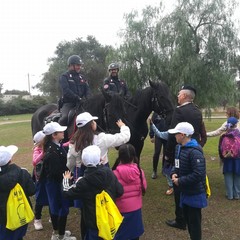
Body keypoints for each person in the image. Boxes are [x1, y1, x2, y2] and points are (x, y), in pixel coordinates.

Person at [165, 85, 207, 230]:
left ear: (183, 96)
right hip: (193, 148)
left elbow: (173, 136)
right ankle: (189, 217)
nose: (177, 96)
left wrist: (168, 155)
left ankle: (181, 219)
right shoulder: (197, 111)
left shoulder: (179, 111)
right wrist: (199, 146)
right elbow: (201, 132)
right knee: (191, 180)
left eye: (178, 94)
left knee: (179, 185)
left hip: (181, 150)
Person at [62, 145, 124, 240]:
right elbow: (120, 191)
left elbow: (67, 192)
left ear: (83, 162)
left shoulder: (83, 182)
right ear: (99, 158)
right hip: (109, 218)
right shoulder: (108, 173)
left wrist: (66, 180)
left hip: (93, 222)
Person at [168, 122, 207, 240]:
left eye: (176, 133)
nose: (174, 136)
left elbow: (198, 174)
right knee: (188, 221)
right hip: (184, 192)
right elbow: (177, 165)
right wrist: (174, 173)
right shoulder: (179, 148)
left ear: (183, 135)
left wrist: (180, 181)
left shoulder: (194, 151)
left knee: (194, 224)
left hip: (194, 194)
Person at [41, 122, 76, 240]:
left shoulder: (55, 146)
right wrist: (67, 176)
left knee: (55, 206)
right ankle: (59, 235)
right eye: (60, 131)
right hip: (56, 183)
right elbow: (55, 171)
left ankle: (57, 232)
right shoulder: (53, 151)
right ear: (53, 135)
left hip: (55, 183)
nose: (63, 133)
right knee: (61, 207)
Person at [0, 145, 35, 240]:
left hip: (2, 220)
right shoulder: (22, 173)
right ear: (10, 159)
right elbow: (32, 190)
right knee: (18, 236)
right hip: (20, 215)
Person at [112, 144, 147, 240]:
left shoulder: (113, 174)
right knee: (134, 235)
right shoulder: (139, 171)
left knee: (120, 235)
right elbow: (144, 187)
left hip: (119, 210)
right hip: (136, 210)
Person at [58, 55, 91, 127]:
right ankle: (60, 137)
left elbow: (87, 90)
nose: (79, 67)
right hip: (69, 104)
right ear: (71, 65)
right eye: (77, 65)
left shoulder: (82, 77)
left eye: (80, 65)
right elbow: (66, 91)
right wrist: (78, 98)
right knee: (64, 118)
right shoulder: (64, 76)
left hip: (81, 104)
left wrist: (88, 99)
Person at [218, 117, 240, 200]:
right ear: (236, 124)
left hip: (227, 159)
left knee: (228, 176)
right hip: (238, 159)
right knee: (237, 176)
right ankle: (237, 194)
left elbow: (220, 148)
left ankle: (229, 194)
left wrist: (222, 157)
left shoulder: (224, 136)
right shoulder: (239, 134)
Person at [32, 130, 49, 231]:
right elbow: (34, 161)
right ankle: (37, 219)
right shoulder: (37, 149)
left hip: (48, 176)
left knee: (51, 196)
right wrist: (43, 152)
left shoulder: (49, 146)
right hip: (40, 178)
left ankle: (52, 216)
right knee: (40, 199)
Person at [149, 112, 168, 180]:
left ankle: (164, 169)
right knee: (157, 152)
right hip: (158, 136)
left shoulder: (168, 111)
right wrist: (151, 135)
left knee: (166, 153)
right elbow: (151, 123)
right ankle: (154, 171)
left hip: (167, 135)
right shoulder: (156, 113)